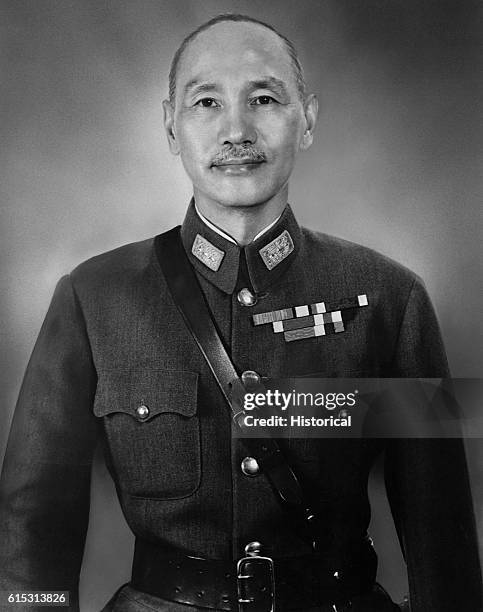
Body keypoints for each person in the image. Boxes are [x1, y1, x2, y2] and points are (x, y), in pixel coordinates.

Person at [0, 13, 481, 612]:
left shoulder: (391, 300)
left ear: (306, 119)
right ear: (171, 127)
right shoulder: (93, 298)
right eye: (205, 101)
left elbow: (443, 536)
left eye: (263, 99)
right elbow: (32, 523)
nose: (236, 130)